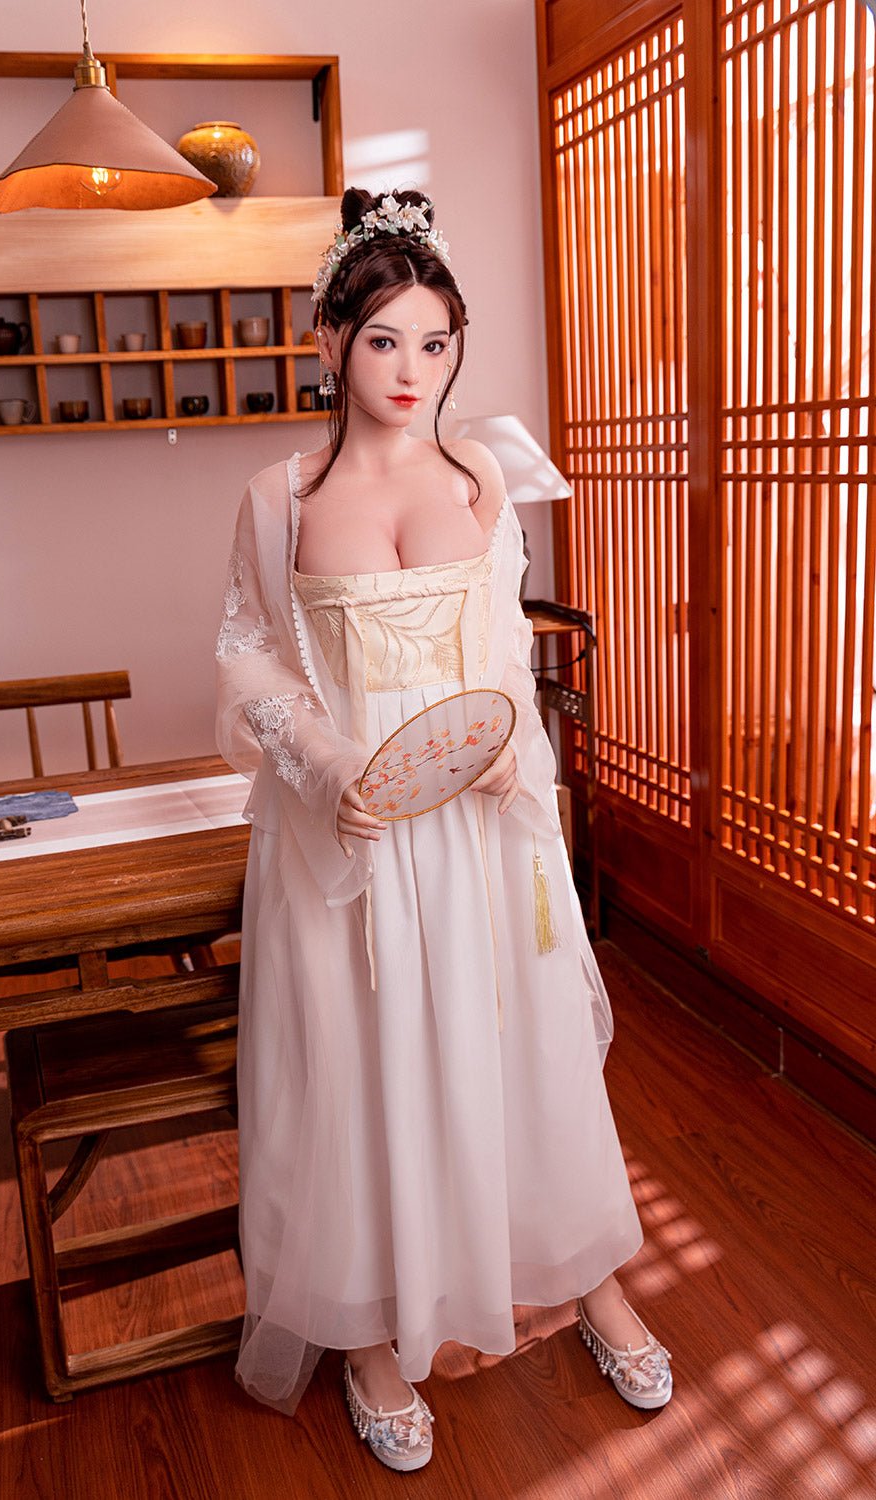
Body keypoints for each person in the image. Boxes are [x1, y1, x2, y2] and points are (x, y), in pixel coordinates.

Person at [213, 187, 672, 1473]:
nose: (412, 371)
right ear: (328, 345)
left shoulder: (484, 472)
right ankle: (365, 1334)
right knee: (357, 1077)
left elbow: (505, 655)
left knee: (523, 1059)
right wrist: (325, 763)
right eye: (382, 342)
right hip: (348, 840)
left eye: (435, 342)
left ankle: (592, 1285)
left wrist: (507, 760)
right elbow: (250, 663)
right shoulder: (279, 494)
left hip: (479, 827)